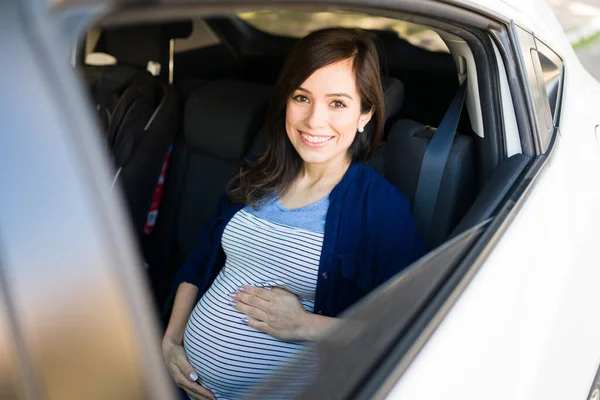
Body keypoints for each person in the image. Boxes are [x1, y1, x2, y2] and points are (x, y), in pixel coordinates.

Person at [162, 27, 425, 400]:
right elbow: (201, 258)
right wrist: (171, 341)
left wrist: (304, 325)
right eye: (302, 97)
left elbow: (411, 327)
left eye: (337, 103)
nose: (314, 120)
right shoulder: (256, 174)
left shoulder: (380, 209)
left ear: (365, 114)